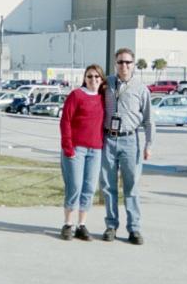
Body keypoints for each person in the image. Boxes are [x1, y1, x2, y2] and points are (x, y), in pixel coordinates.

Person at [101, 47, 155, 245]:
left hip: (130, 140)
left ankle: (134, 228)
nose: (124, 66)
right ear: (115, 64)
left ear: (134, 65)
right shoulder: (106, 84)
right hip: (108, 140)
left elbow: (149, 120)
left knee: (131, 186)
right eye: (120, 62)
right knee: (108, 185)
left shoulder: (141, 89)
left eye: (128, 62)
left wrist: (149, 145)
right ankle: (111, 225)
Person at [59, 64, 106, 241]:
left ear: (101, 80)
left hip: (96, 150)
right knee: (75, 186)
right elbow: (65, 121)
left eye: (96, 77)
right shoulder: (76, 95)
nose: (93, 80)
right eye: (89, 76)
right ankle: (68, 224)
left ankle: (82, 225)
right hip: (76, 149)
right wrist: (68, 147)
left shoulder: (103, 98)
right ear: (84, 78)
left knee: (89, 188)